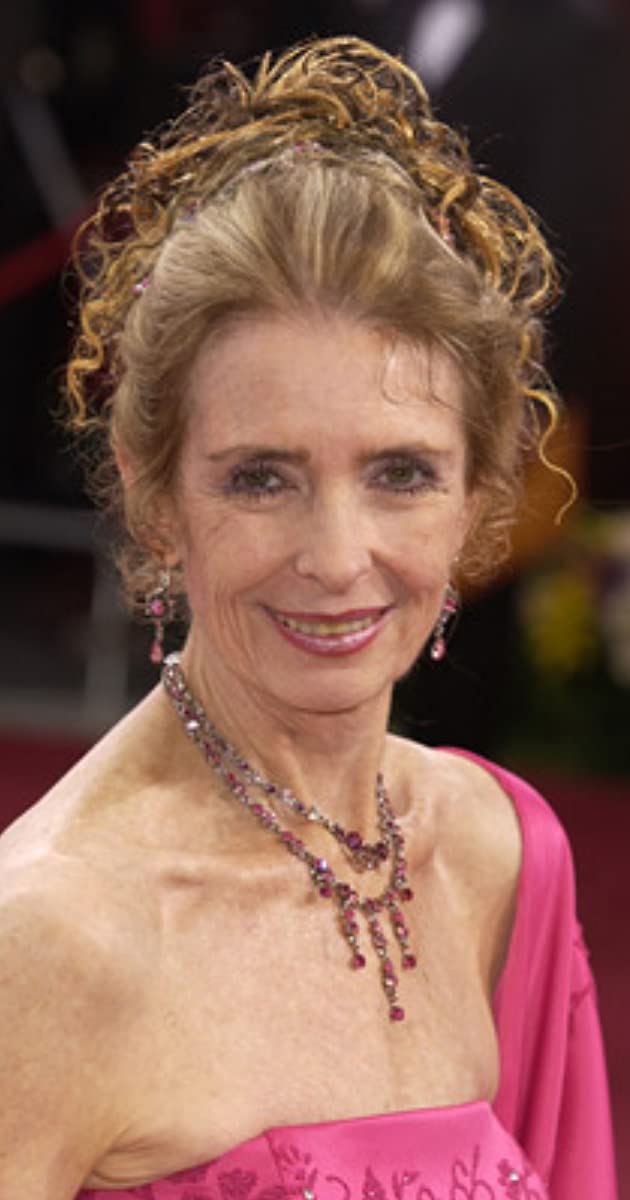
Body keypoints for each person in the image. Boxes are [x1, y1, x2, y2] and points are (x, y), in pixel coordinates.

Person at [0, 35, 617, 1200]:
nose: (337, 559)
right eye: (261, 478)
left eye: (400, 474)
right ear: (154, 495)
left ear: (478, 494)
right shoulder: (51, 942)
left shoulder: (499, 854)